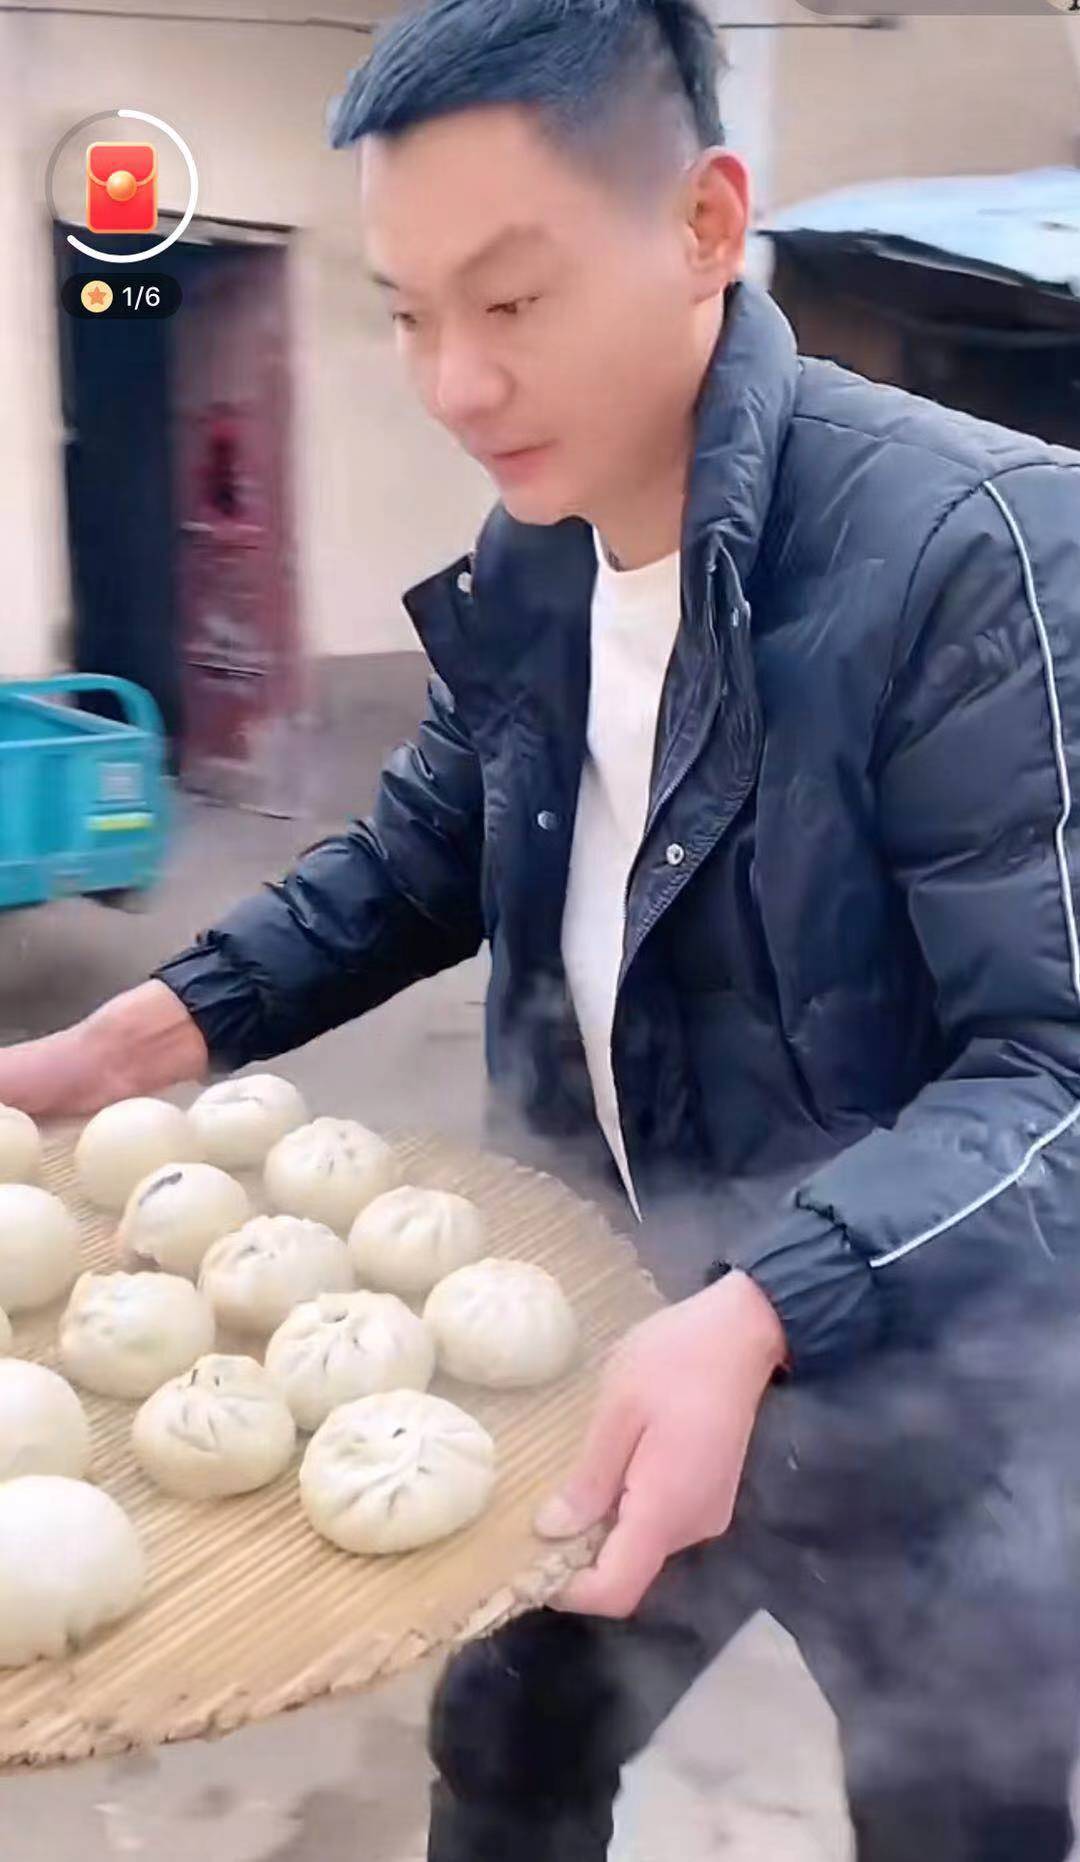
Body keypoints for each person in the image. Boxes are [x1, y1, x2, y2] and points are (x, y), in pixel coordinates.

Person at [5, 1, 1080, 1854]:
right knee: (508, 1756)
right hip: (604, 1341)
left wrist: (769, 1303)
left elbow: (1053, 1072)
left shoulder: (975, 555)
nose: (456, 384)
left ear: (706, 225)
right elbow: (429, 847)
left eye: (510, 301)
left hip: (927, 1422)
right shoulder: (541, 550)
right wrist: (144, 1031)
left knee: (955, 1815)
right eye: (408, 314)